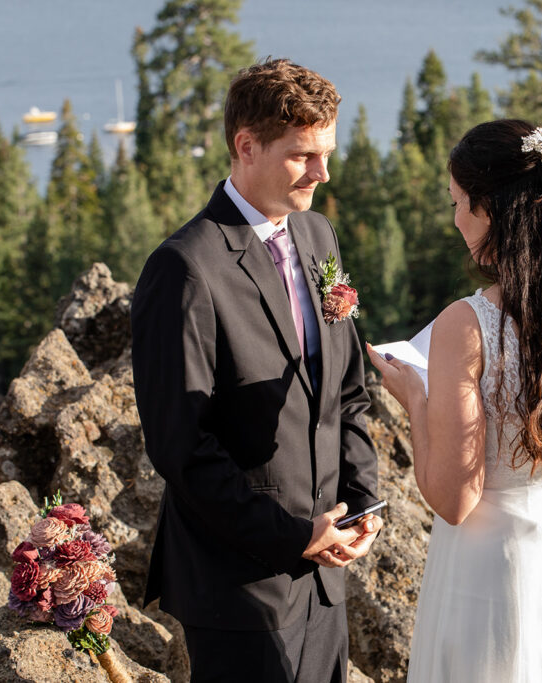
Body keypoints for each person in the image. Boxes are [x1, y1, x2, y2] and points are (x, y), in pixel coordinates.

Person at [367, 119, 542, 682]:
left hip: (501, 569)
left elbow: (455, 498)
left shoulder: (467, 324)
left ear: (491, 210)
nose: (454, 219)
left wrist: (416, 399)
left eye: (458, 203)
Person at [131, 59, 383, 683]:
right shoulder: (185, 268)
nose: (323, 173)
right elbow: (180, 447)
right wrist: (290, 535)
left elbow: (347, 392)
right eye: (304, 156)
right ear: (247, 146)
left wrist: (361, 504)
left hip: (327, 575)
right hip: (238, 582)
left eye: (326, 152)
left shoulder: (319, 236)